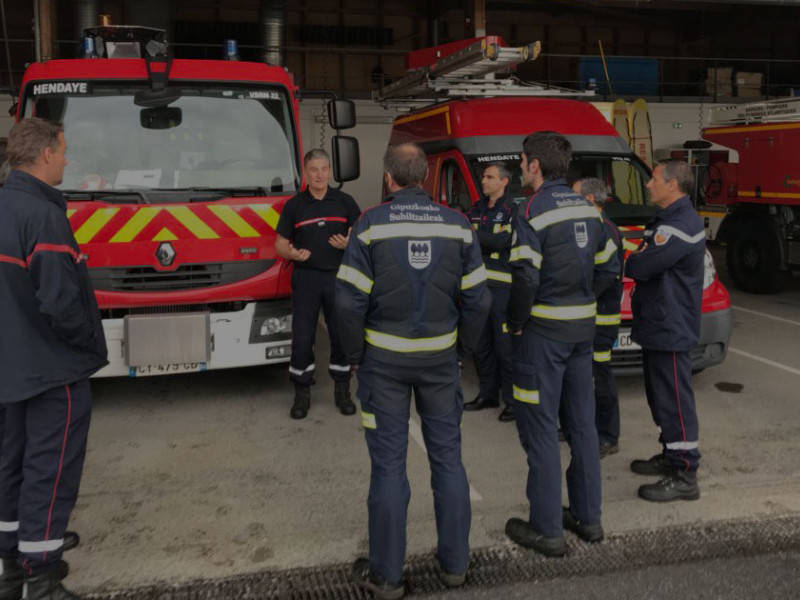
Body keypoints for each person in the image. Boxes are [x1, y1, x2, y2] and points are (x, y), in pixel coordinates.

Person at [336, 143, 490, 599]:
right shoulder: (458, 225)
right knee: (448, 459)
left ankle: (387, 575)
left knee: (388, 466)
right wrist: (462, 347)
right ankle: (455, 566)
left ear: (389, 179)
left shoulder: (368, 225)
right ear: (424, 176)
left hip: (383, 364)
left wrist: (356, 355)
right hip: (441, 362)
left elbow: (346, 301)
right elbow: (480, 300)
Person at [0, 118, 108, 600]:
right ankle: (41, 578)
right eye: (63, 150)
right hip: (51, 369)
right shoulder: (44, 217)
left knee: (13, 463)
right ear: (45, 154)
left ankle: (9, 563)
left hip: (12, 366)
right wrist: (86, 346)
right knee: (51, 467)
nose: (67, 159)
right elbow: (61, 302)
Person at [504, 132, 619, 557]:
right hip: (582, 332)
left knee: (540, 430)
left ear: (535, 165)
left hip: (544, 336)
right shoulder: (588, 209)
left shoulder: (531, 209)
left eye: (521, 162)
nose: (520, 168)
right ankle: (589, 519)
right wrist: (584, 293)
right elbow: (609, 264)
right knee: (583, 426)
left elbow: (526, 277)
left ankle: (547, 528)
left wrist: (517, 322)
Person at [625, 159, 705, 502]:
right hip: (659, 320)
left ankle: (685, 472)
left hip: (670, 324)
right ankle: (671, 453)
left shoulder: (679, 225)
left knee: (674, 399)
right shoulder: (667, 220)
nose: (648, 184)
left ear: (673, 185)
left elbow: (643, 264)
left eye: (654, 179)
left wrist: (635, 258)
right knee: (659, 396)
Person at [275, 148, 362, 420]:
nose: (320, 174)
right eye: (314, 169)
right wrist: (291, 253)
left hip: (339, 276)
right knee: (302, 337)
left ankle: (342, 391)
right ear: (305, 173)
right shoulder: (294, 206)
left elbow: (362, 237)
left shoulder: (345, 202)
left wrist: (350, 244)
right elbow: (279, 244)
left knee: (340, 335)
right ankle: (302, 394)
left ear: (330, 172)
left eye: (324, 169)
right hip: (306, 278)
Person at [572, 178, 625, 458]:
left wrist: (583, 295)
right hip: (586, 315)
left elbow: (606, 275)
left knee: (600, 377)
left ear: (590, 200)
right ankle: (581, 427)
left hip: (601, 318)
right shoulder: (590, 227)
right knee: (582, 375)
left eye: (574, 196)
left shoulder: (606, 230)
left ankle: (608, 435)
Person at [464, 162, 516, 422]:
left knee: (505, 348)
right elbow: (474, 242)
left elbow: (500, 243)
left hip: (503, 289)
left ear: (504, 181)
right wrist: (482, 239)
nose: (484, 181)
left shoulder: (513, 210)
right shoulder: (476, 208)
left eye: (489, 177)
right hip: (477, 287)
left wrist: (475, 234)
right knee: (481, 344)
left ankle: (512, 401)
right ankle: (488, 394)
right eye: (483, 176)